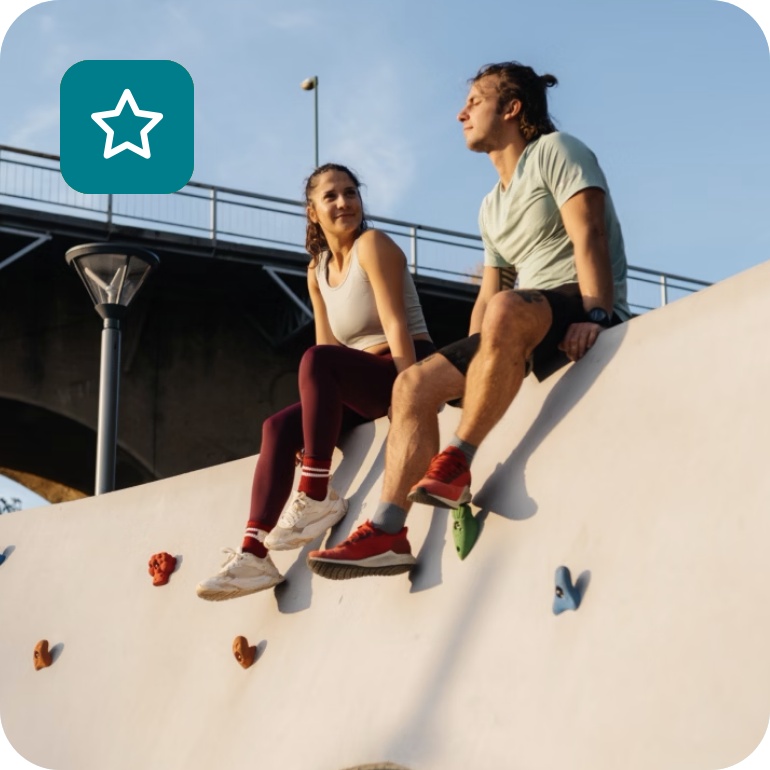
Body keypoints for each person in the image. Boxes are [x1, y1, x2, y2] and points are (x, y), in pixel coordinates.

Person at [307, 61, 631, 579]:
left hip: (571, 301)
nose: (462, 113)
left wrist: (598, 313)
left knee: (505, 308)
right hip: (518, 320)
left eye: (474, 102)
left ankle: (458, 459)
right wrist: (471, 365)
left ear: (511, 107)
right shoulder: (490, 205)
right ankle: (388, 529)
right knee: (411, 383)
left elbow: (588, 233)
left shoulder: (557, 151)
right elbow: (487, 297)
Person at [196, 163, 434, 600]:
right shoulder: (317, 270)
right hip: (355, 378)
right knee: (277, 428)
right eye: (331, 196)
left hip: (400, 365)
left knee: (317, 360)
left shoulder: (373, 245)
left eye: (351, 192)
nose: (344, 202)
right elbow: (329, 352)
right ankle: (252, 554)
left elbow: (397, 326)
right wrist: (313, 430)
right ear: (312, 211)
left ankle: (315, 492)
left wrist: (411, 391)